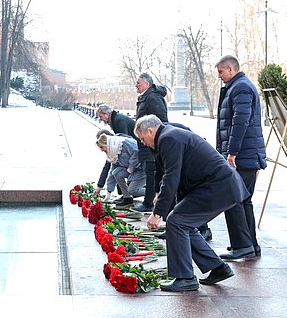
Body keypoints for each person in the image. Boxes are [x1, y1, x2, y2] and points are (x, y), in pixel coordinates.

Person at [136, 115, 249, 292]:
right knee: (181, 222)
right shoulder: (168, 135)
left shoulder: (168, 138)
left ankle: (185, 278)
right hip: (217, 184)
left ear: (150, 131)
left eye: (142, 138)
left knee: (176, 221)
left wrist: (157, 214)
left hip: (218, 186)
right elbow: (177, 175)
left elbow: (171, 176)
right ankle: (217, 268)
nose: (143, 143)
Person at [215, 55, 267, 259]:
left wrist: (231, 154)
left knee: (232, 199)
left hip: (242, 156)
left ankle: (242, 245)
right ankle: (250, 245)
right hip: (244, 155)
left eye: (220, 72)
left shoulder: (241, 88)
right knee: (243, 200)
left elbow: (240, 122)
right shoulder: (238, 87)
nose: (219, 76)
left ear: (230, 69)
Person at [133, 73, 167, 213]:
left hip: (152, 141)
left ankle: (149, 202)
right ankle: (149, 200)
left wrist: (155, 139)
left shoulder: (152, 97)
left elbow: (161, 120)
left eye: (139, 83)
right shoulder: (146, 97)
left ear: (147, 84)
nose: (136, 85)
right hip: (146, 140)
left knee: (152, 171)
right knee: (150, 171)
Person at [94, 132, 144, 206]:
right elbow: (111, 172)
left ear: (107, 144)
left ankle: (154, 192)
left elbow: (136, 152)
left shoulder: (124, 144)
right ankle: (127, 198)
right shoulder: (113, 152)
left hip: (142, 168)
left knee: (132, 190)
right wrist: (109, 192)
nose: (102, 150)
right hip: (132, 170)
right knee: (116, 173)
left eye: (102, 147)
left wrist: (130, 167)